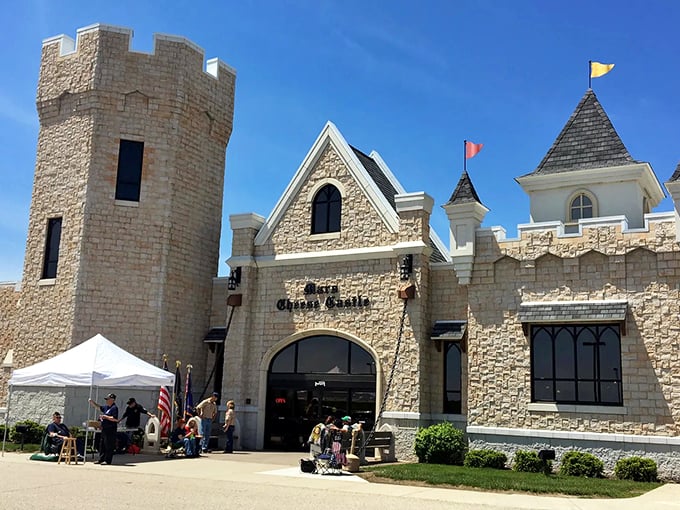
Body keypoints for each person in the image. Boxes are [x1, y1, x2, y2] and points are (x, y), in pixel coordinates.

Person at [88, 393, 119, 465]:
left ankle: (107, 460)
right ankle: (101, 459)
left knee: (109, 445)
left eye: (108, 399)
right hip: (104, 429)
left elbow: (115, 419)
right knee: (102, 445)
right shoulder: (106, 407)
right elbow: (99, 407)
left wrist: (106, 417)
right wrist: (92, 402)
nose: (107, 401)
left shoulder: (114, 408)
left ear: (112, 400)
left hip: (111, 430)